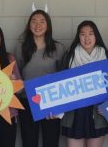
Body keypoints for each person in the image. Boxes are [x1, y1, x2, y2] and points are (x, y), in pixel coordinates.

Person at [60, 20, 108, 147]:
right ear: (78, 37)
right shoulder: (70, 55)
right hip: (74, 113)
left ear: (96, 36)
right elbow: (60, 86)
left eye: (90, 34)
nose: (87, 38)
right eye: (82, 34)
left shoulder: (105, 56)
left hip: (97, 114)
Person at [15, 9, 65, 147]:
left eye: (42, 21)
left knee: (51, 142)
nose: (38, 25)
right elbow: (17, 74)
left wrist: (59, 106)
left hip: (51, 102)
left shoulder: (59, 48)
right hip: (27, 102)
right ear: (29, 25)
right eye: (34, 21)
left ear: (48, 25)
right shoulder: (21, 48)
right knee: (29, 142)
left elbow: (63, 75)